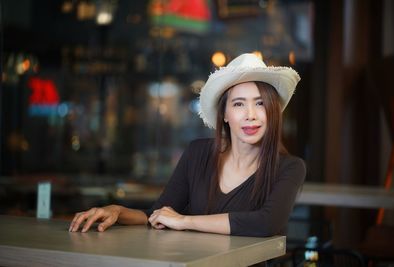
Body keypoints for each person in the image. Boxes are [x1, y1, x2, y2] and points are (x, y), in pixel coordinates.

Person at [69, 53, 306, 237]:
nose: (251, 115)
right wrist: (118, 211)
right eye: (238, 104)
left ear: (273, 111)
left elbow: (266, 223)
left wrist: (184, 221)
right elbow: (159, 214)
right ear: (224, 114)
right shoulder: (197, 153)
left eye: (260, 103)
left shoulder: (289, 167)